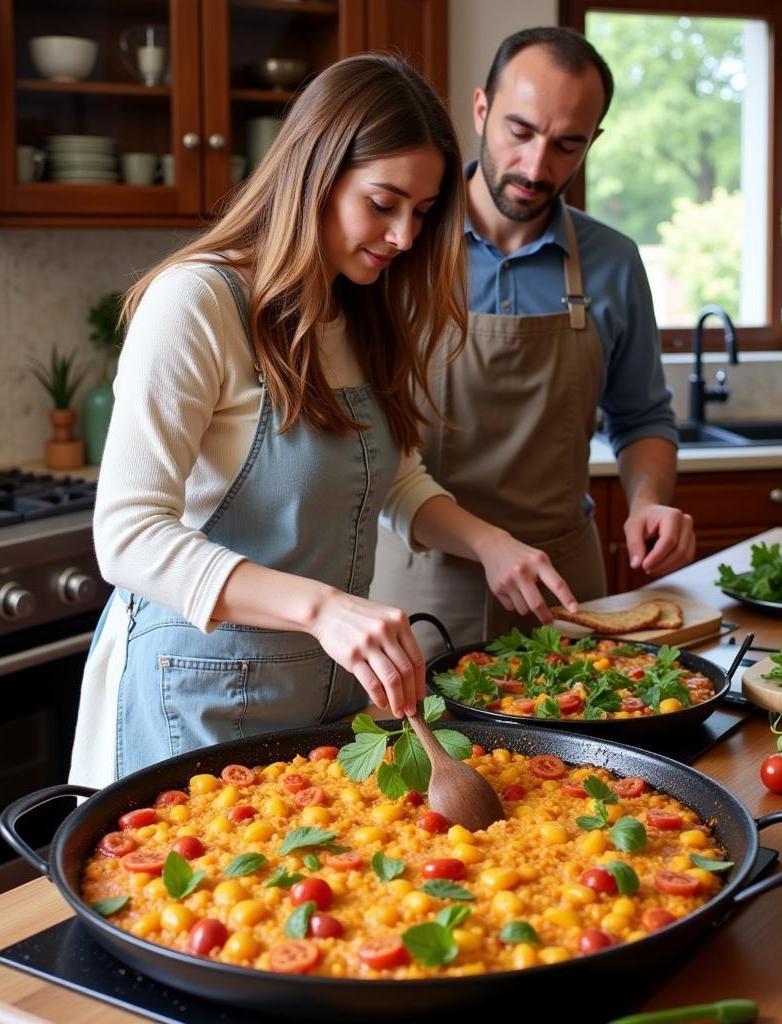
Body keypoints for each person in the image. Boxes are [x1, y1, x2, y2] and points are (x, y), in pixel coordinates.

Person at [69, 54, 578, 788]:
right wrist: (325, 609)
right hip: (195, 700)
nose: (405, 236)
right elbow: (127, 536)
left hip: (323, 698)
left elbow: (390, 476)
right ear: (315, 172)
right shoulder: (197, 304)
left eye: (424, 211)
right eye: (383, 202)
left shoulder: (357, 307)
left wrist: (491, 544)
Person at [372, 27, 696, 654]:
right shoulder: (399, 246)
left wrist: (647, 502)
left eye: (567, 145)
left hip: (564, 595)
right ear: (481, 110)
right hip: (417, 588)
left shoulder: (614, 262)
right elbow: (361, 440)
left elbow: (643, 416)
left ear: (592, 143)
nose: (535, 166)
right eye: (519, 132)